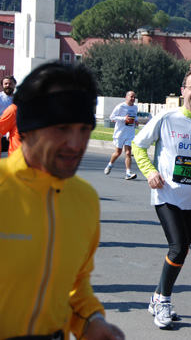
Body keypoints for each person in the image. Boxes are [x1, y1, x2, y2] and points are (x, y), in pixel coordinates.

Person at [0, 61, 125, 340]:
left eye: (84, 128)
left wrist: (91, 322)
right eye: (61, 128)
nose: (76, 143)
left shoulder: (85, 199)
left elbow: (77, 282)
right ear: (29, 128)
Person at [131, 66, 191, 330]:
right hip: (166, 194)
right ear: (183, 91)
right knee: (178, 248)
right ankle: (164, 301)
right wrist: (149, 172)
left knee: (181, 251)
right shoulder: (167, 118)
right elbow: (138, 145)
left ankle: (156, 297)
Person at [104, 91, 138, 180]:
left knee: (128, 153)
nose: (133, 99)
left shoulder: (135, 107)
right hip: (120, 133)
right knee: (118, 153)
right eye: (131, 97)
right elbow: (112, 117)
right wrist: (124, 118)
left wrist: (136, 121)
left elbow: (135, 116)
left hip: (130, 133)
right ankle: (110, 165)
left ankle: (128, 173)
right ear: (126, 97)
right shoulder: (120, 106)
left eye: (134, 97)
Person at [0, 75, 16, 154]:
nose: (8, 86)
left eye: (10, 84)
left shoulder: (18, 98)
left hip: (13, 135)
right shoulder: (0, 97)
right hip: (1, 134)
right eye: (5, 84)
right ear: (2, 85)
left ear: (14, 84)